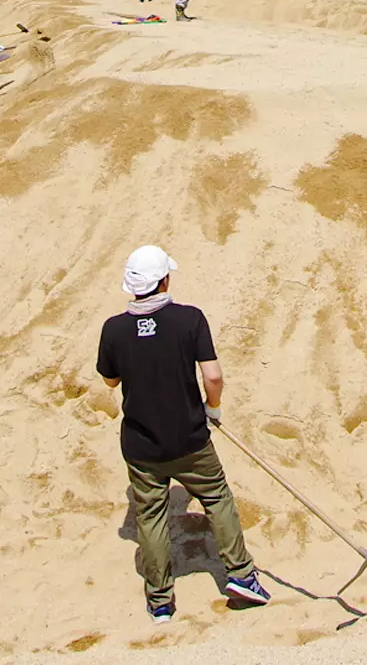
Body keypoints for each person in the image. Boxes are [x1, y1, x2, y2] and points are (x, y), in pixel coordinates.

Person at [95, 244, 269, 621]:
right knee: (217, 498)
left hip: (141, 445)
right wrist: (213, 407)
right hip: (190, 437)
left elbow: (110, 379)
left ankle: (160, 600)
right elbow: (214, 376)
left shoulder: (114, 329)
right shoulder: (190, 319)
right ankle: (241, 576)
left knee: (151, 516)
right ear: (164, 281)